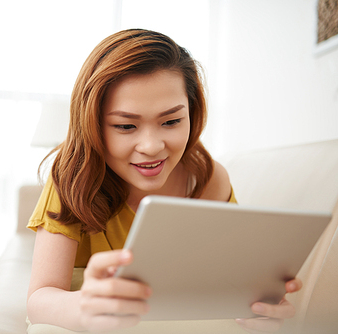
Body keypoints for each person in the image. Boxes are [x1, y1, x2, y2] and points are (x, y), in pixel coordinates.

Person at [26, 29, 302, 333]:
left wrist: (258, 308)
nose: (151, 146)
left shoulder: (207, 180)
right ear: (93, 124)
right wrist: (83, 307)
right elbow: (39, 299)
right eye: (125, 126)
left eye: (171, 121)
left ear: (192, 113)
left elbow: (222, 285)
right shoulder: (71, 177)